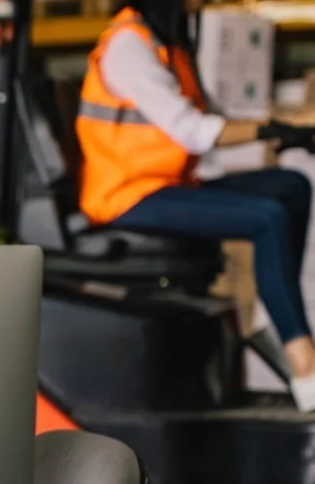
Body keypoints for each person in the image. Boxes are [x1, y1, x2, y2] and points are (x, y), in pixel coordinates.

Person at [77, 0, 315, 408]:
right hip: (125, 196)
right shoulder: (128, 47)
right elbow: (192, 131)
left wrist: (288, 130)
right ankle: (304, 362)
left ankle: (285, 318)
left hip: (168, 184)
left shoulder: (167, 44)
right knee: (268, 217)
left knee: (290, 186)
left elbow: (211, 117)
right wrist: (268, 130)